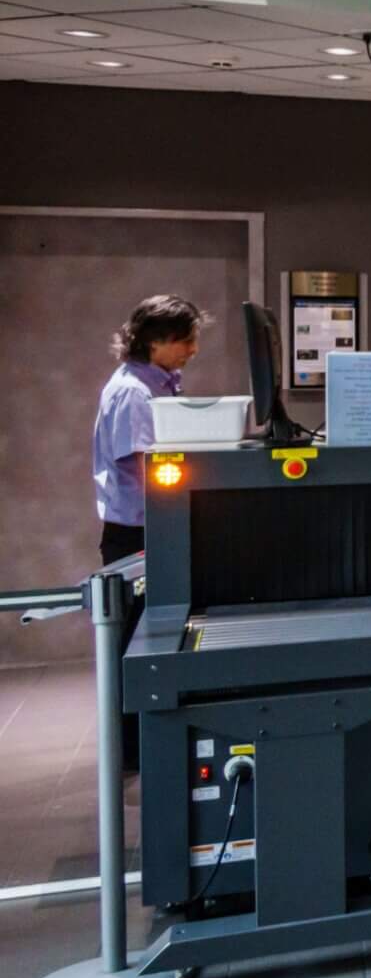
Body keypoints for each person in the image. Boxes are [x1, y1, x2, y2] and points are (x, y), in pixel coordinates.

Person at [91, 295, 208, 773]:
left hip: (147, 528)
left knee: (149, 643)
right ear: (155, 340)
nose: (193, 349)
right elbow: (147, 466)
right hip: (135, 534)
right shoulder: (134, 394)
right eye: (186, 339)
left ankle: (144, 746)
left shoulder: (155, 384)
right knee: (136, 649)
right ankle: (132, 754)